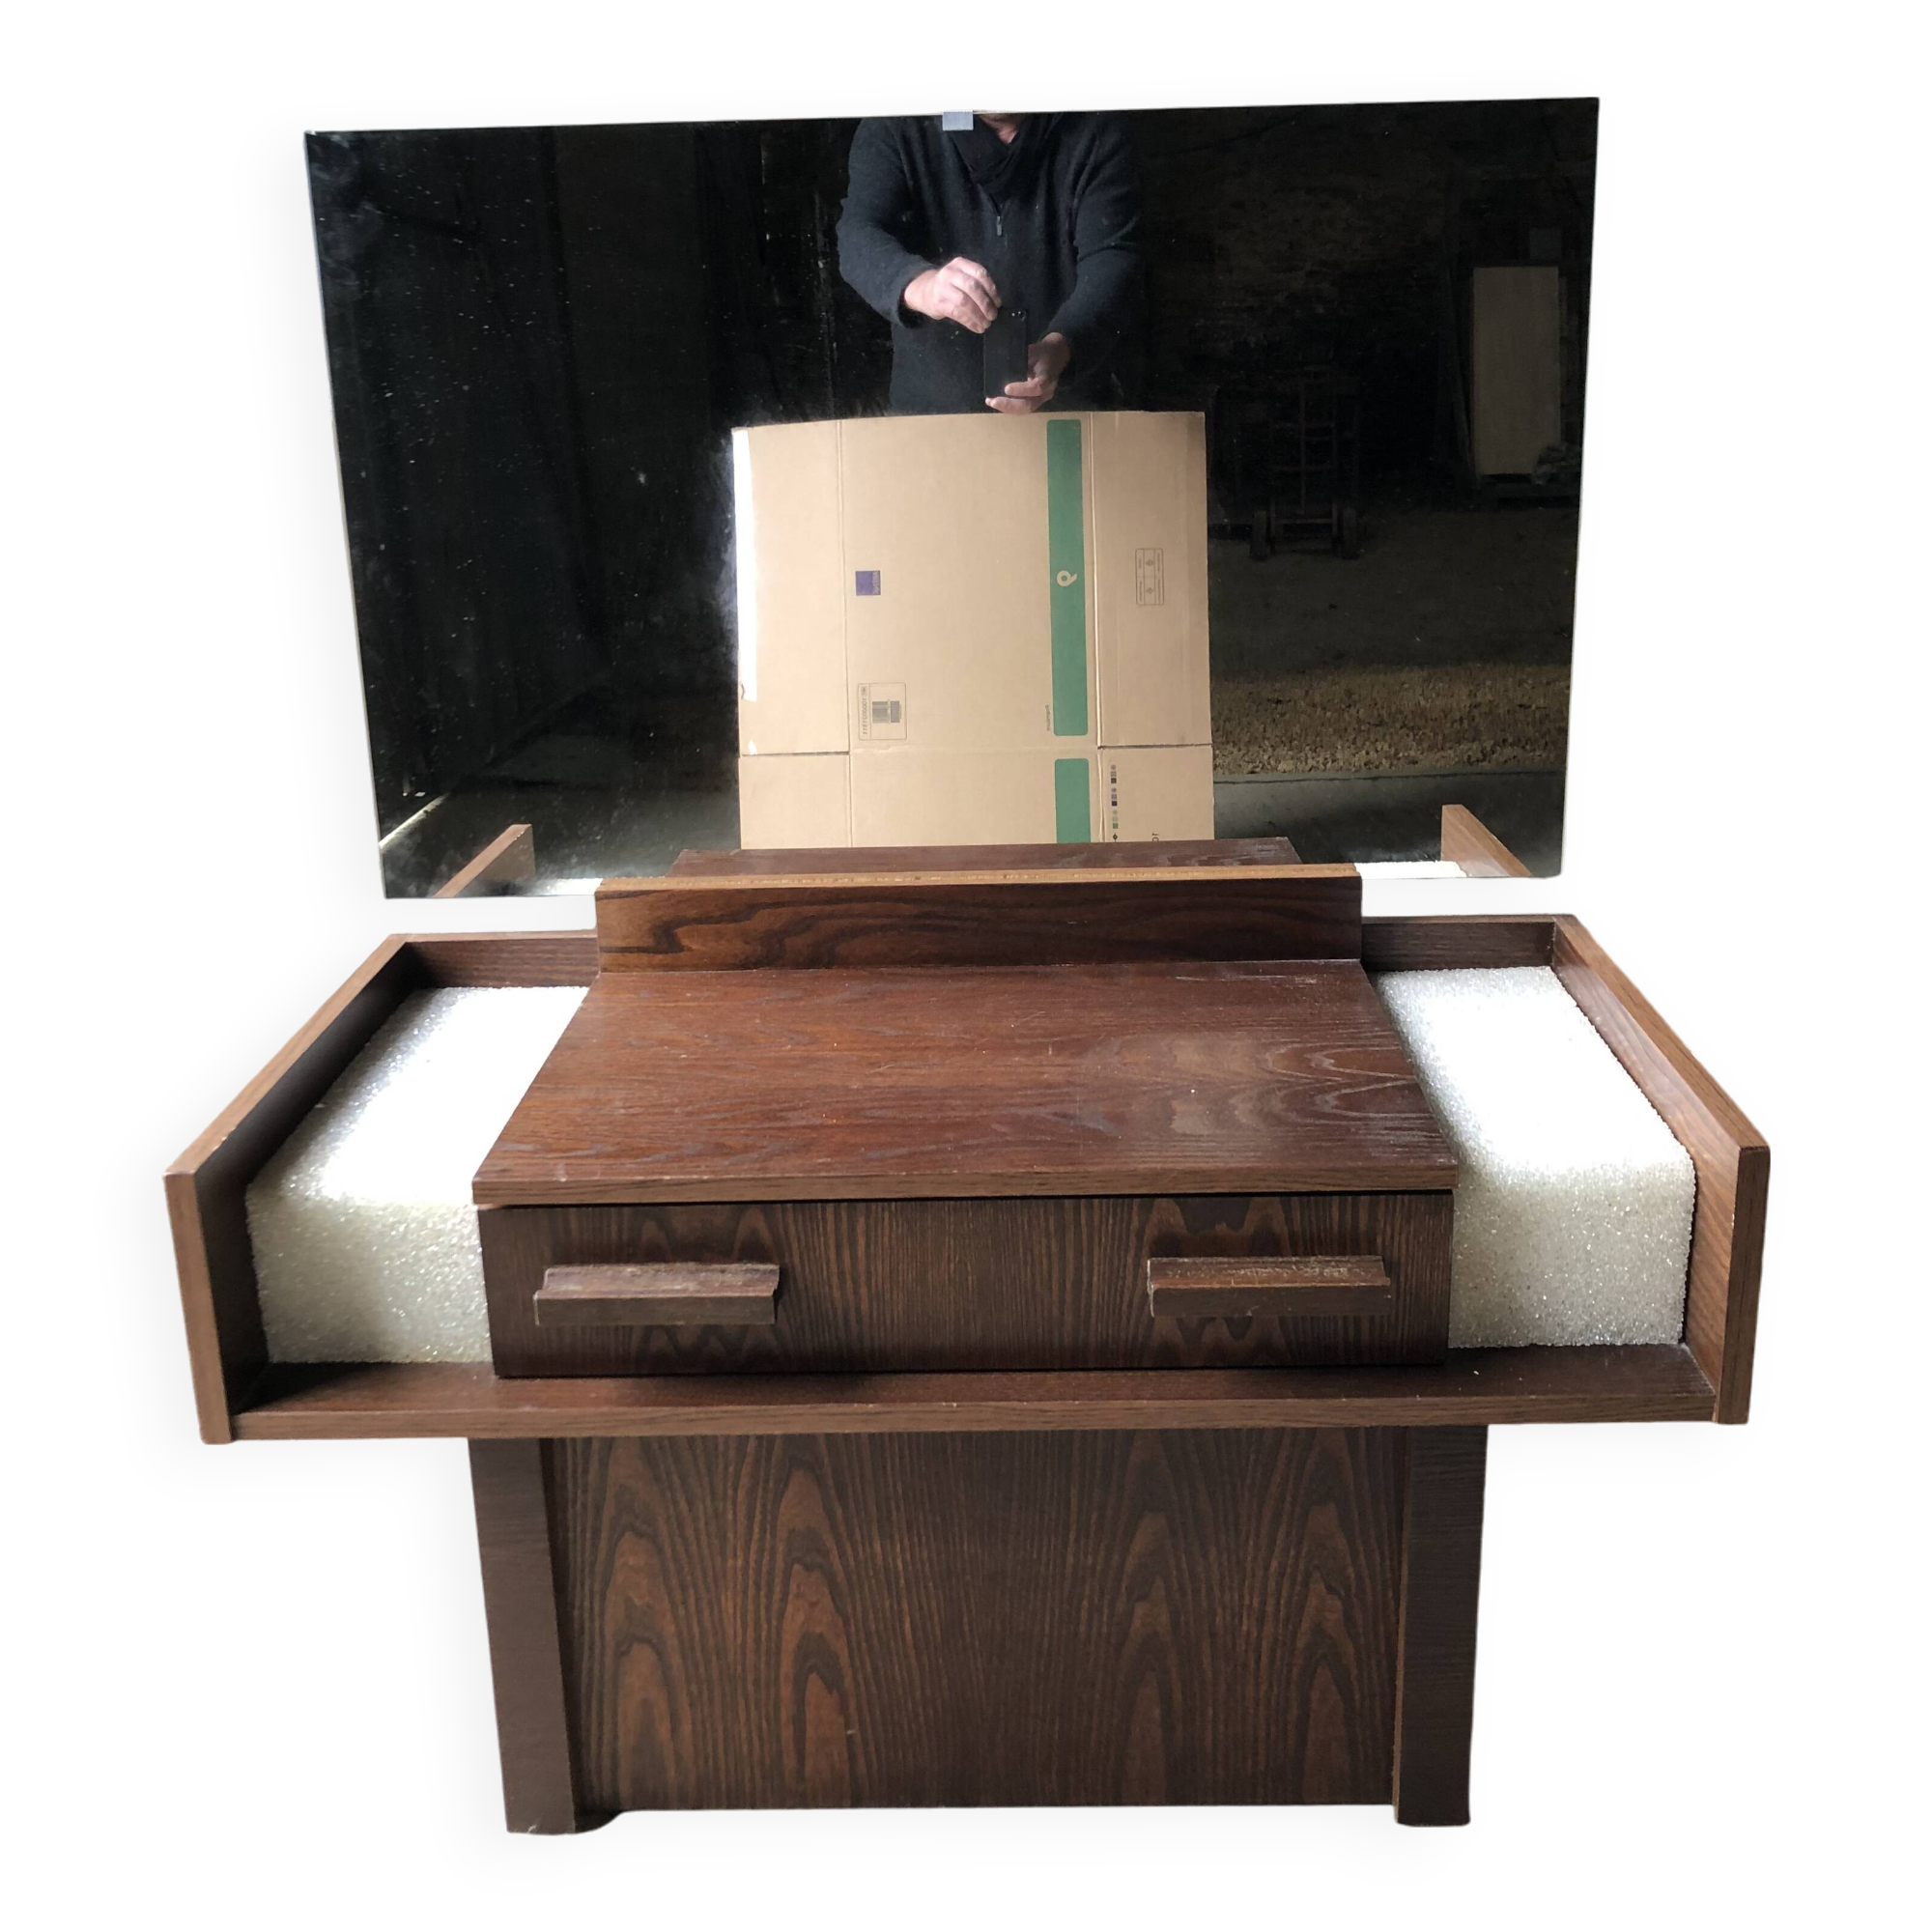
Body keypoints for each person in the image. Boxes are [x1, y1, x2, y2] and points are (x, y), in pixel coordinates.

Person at [836, 112, 1142, 415]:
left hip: (1069, 406)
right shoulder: (899, 124)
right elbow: (859, 233)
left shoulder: (1097, 127)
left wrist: (1062, 347)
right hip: (934, 418)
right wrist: (922, 285)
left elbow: (1112, 256)